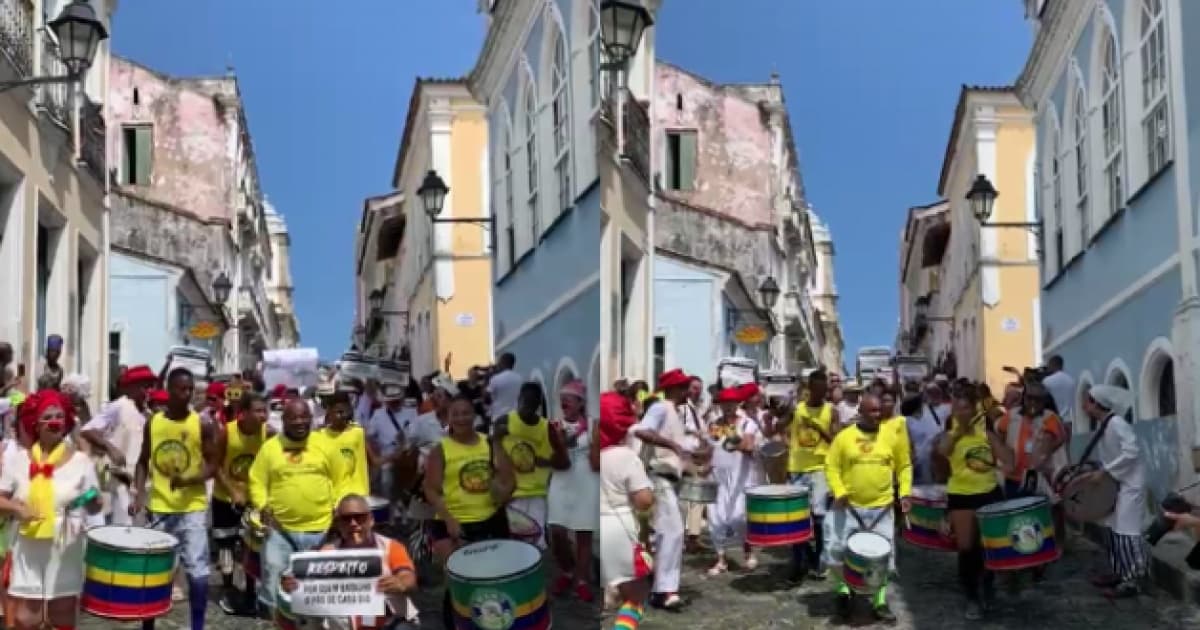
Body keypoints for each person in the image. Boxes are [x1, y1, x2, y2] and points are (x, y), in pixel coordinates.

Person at [0, 390, 102, 629]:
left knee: (62, 613)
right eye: (47, 418)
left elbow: (96, 505)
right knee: (26, 617)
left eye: (59, 416)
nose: (55, 422)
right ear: (35, 424)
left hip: (65, 547)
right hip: (27, 547)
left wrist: (93, 501)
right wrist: (16, 507)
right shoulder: (18, 461)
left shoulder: (81, 461)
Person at [131, 368, 221, 630]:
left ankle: (197, 624)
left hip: (192, 507)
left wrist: (189, 480)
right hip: (159, 507)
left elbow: (213, 465)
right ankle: (148, 624)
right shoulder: (154, 422)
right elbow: (142, 461)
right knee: (157, 571)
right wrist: (137, 494)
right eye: (182, 389)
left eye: (190, 389)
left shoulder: (202, 423)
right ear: (169, 390)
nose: (187, 394)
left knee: (197, 570)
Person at [422, 394, 515, 629]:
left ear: (474, 416)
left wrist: (502, 494)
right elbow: (431, 490)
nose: (461, 418)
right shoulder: (441, 450)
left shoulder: (489, 444)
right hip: (450, 523)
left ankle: (493, 622)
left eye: (466, 413)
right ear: (448, 419)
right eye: (456, 414)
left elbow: (510, 480)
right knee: (458, 581)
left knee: (493, 579)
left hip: (490, 520)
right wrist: (450, 519)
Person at [248, 398, 347, 613]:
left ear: (312, 419)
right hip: (279, 530)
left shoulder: (325, 445)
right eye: (293, 417)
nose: (300, 422)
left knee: (317, 587)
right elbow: (256, 480)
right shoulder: (270, 448)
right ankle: (276, 621)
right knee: (274, 580)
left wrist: (339, 508)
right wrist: (262, 505)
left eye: (304, 417)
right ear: (284, 420)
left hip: (321, 530)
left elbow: (341, 480)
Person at [823, 393, 911, 623]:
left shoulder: (892, 436)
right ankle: (843, 592)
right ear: (860, 412)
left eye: (879, 411)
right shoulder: (844, 438)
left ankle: (879, 601)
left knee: (883, 558)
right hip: (849, 507)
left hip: (881, 508)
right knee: (837, 552)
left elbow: (904, 466)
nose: (877, 415)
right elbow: (831, 466)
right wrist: (839, 491)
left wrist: (904, 493)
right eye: (872, 411)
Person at [282, 494, 420, 629]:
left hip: (391, 623)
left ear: (371, 520)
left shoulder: (390, 547)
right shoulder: (326, 553)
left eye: (359, 518)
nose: (353, 523)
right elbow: (299, 582)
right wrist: (292, 584)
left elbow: (408, 576)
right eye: (346, 519)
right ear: (338, 524)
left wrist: (401, 583)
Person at [937, 387, 1011, 620]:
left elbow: (1009, 459)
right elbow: (942, 451)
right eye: (957, 409)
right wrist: (959, 432)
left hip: (988, 493)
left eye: (966, 408)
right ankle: (971, 595)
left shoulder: (986, 434)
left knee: (989, 547)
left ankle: (988, 587)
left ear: (974, 408)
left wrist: (995, 438)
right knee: (966, 549)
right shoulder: (950, 434)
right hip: (961, 496)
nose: (961, 413)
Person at [768, 369, 838, 583]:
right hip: (797, 468)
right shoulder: (798, 409)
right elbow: (777, 428)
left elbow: (836, 441)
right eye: (815, 390)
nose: (819, 395)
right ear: (809, 389)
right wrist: (779, 413)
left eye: (822, 390)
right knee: (798, 518)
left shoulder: (831, 411)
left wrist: (817, 426)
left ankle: (818, 559)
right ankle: (798, 562)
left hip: (820, 469)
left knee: (819, 517)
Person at [630, 369, 691, 610]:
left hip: (669, 478)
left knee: (669, 533)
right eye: (684, 387)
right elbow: (642, 431)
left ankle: (661, 587)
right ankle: (666, 591)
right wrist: (672, 445)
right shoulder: (661, 408)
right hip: (658, 477)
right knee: (672, 532)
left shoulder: (674, 412)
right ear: (674, 389)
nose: (687, 391)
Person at [1080, 383, 1148, 598]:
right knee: (1114, 530)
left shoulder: (1117, 423)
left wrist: (1106, 471)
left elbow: (1132, 452)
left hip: (1130, 485)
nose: (1084, 405)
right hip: (1117, 484)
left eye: (1088, 400)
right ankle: (1120, 573)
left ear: (1097, 404)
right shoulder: (1105, 424)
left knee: (1127, 532)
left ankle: (1133, 581)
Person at [996, 382, 1068, 582]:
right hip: (1013, 478)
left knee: (1038, 520)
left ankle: (1038, 560)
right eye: (1030, 398)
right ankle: (1018, 558)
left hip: (1038, 480)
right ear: (1024, 398)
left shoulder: (1050, 419)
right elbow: (998, 436)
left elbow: (1061, 439)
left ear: (1044, 401)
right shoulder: (1010, 417)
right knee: (1016, 519)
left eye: (1039, 399)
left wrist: (1046, 454)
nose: (1034, 403)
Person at [599, 391, 656, 630]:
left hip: (595, 530)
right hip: (619, 528)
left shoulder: (593, 455)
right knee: (636, 595)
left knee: (611, 589)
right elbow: (643, 501)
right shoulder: (625, 457)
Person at [213, 391, 271, 614]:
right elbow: (215, 466)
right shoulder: (227, 432)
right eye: (258, 411)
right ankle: (227, 589)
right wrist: (232, 491)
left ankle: (250, 591)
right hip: (224, 498)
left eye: (264, 410)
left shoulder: (268, 433)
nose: (263, 415)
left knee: (251, 545)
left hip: (252, 499)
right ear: (243, 413)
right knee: (226, 546)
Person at [80, 364, 157, 525]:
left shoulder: (149, 415)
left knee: (140, 528)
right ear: (131, 387)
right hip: (121, 478)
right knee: (124, 526)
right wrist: (109, 447)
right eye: (143, 386)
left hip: (143, 482)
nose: (147, 391)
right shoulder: (120, 406)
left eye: (150, 386)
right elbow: (88, 430)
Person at [497, 381, 570, 547]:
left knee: (535, 542)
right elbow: (491, 455)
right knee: (511, 544)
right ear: (519, 399)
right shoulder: (504, 422)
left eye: (532, 403)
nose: (527, 407)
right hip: (510, 495)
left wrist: (547, 461)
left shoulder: (547, 428)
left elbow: (564, 462)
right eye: (525, 401)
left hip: (536, 495)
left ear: (538, 404)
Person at [547, 380, 599, 602]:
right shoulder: (553, 426)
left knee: (584, 535)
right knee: (557, 533)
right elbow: (556, 461)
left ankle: (581, 580)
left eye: (570, 397)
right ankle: (568, 571)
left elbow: (597, 459)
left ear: (581, 403)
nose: (565, 401)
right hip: (561, 480)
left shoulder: (593, 425)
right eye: (563, 397)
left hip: (586, 481)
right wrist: (559, 442)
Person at [705, 387, 762, 574]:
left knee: (740, 517)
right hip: (719, 478)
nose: (727, 407)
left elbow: (747, 446)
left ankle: (748, 553)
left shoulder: (747, 423)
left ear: (737, 404)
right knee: (715, 518)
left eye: (731, 403)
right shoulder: (714, 425)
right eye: (724, 403)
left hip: (741, 478)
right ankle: (721, 559)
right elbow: (710, 449)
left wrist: (729, 432)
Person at [367, 382, 418, 501]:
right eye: (390, 401)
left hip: (407, 457)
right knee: (386, 484)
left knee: (408, 489)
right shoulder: (378, 414)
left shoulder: (411, 412)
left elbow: (416, 434)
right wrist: (375, 456)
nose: (393, 403)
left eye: (396, 400)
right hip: (388, 457)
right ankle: (390, 511)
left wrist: (405, 439)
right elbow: (368, 436)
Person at [319, 390, 373, 498]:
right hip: (332, 498)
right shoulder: (319, 437)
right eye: (338, 412)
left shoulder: (357, 433)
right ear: (329, 411)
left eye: (345, 411)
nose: (343, 415)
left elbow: (367, 463)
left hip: (357, 495)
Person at [485, 352, 521, 426]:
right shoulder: (520, 378)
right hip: (515, 417)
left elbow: (486, 398)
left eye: (499, 361)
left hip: (498, 417)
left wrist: (487, 379)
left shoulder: (495, 379)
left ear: (503, 362)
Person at [1041, 355, 1076, 430]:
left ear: (1053, 364)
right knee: (1066, 441)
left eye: (1049, 365)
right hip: (1067, 420)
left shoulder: (1047, 381)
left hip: (1052, 419)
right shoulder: (1071, 380)